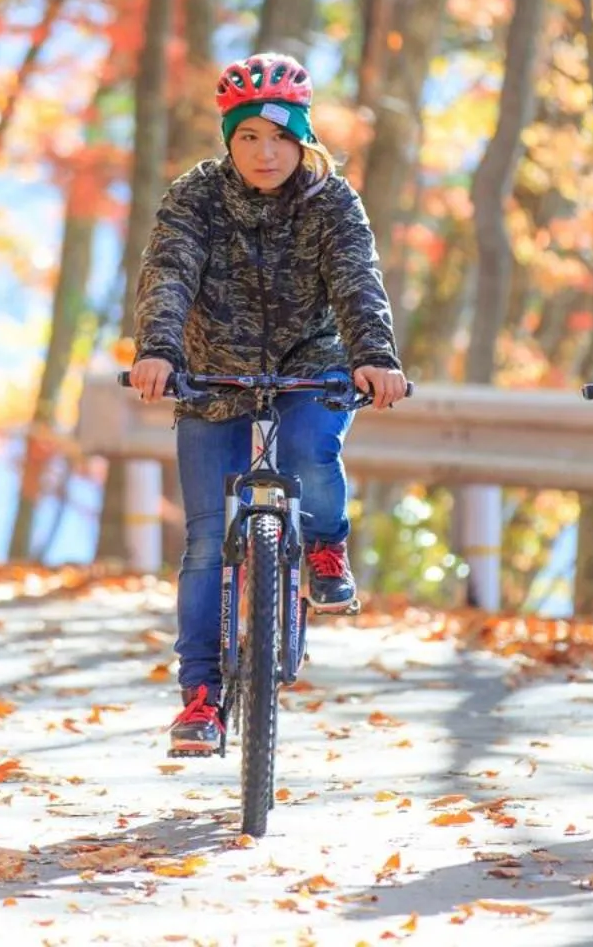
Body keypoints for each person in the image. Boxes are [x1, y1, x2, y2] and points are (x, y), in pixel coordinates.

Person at [128, 53, 408, 757]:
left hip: (306, 369)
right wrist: (158, 349)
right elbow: (169, 271)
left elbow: (356, 280)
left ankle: (322, 543)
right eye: (248, 135)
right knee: (201, 544)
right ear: (229, 138)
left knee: (313, 451)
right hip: (213, 377)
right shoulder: (194, 197)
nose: (264, 151)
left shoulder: (331, 200)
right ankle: (200, 694)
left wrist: (374, 355)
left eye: (280, 136)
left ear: (303, 138)